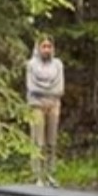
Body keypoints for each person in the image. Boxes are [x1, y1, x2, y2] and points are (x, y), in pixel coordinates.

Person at [25, 34, 64, 183]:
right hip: (36, 105)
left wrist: (44, 88)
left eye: (49, 46)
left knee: (51, 142)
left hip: (54, 105)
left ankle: (50, 173)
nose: (47, 49)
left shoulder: (58, 65)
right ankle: (37, 174)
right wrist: (49, 88)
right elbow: (31, 88)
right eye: (44, 46)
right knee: (38, 141)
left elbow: (59, 89)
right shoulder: (31, 65)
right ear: (38, 48)